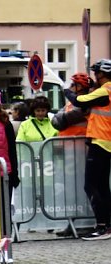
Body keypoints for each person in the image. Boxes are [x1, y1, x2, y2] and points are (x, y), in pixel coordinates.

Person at [68, 59, 111, 240]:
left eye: (96, 72)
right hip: (105, 141)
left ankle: (102, 227)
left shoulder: (105, 90)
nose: (94, 75)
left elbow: (79, 100)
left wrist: (66, 91)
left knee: (91, 185)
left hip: (100, 141)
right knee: (102, 187)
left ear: (102, 73)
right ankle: (107, 226)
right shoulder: (105, 90)